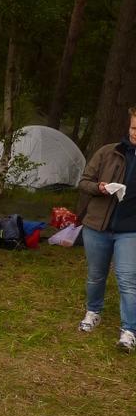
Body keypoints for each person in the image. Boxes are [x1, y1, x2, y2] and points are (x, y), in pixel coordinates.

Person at [76, 106, 136, 352]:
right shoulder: (108, 152)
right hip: (97, 226)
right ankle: (94, 312)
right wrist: (99, 188)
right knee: (96, 275)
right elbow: (83, 182)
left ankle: (129, 331)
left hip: (130, 230)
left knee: (128, 280)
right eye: (134, 128)